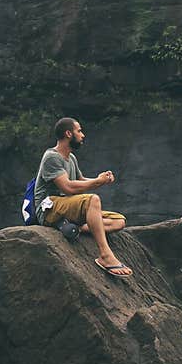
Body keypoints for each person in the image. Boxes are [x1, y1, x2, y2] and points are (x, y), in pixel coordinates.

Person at [34, 117, 132, 278]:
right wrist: (97, 183)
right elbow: (67, 186)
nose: (83, 135)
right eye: (79, 131)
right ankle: (105, 256)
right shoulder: (52, 157)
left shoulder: (70, 158)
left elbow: (80, 180)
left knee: (119, 221)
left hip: (66, 206)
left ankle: (72, 227)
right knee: (92, 200)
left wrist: (100, 180)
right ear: (68, 133)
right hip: (49, 207)